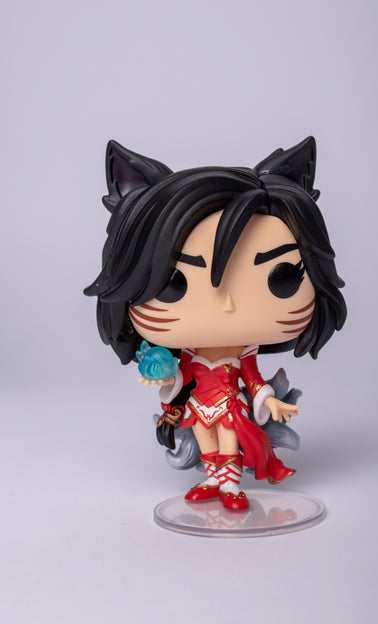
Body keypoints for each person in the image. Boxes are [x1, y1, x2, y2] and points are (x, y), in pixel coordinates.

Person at [84, 136, 346, 510]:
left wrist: (268, 400)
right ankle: (211, 480)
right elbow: (182, 376)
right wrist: (165, 378)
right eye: (174, 283)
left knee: (227, 441)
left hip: (230, 405)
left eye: (282, 276)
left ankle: (231, 486)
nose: (228, 306)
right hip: (198, 404)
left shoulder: (245, 352)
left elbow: (252, 379)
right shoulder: (190, 353)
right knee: (205, 439)